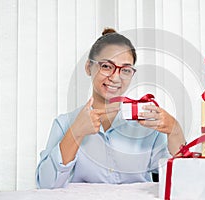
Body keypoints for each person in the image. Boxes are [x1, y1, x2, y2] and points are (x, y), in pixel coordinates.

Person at [36, 28, 186, 189]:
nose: (115, 77)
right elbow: (45, 186)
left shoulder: (149, 125)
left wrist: (174, 130)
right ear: (88, 67)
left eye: (125, 70)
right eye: (107, 66)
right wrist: (75, 133)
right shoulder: (64, 123)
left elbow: (180, 182)